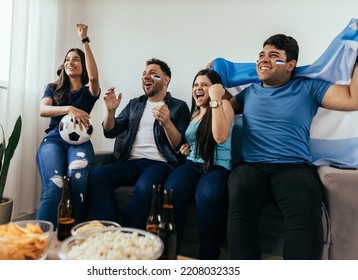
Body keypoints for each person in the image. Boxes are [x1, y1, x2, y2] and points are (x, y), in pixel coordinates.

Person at [215, 34, 358, 260]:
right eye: (261, 55)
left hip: (293, 167)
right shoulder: (249, 93)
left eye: (274, 56)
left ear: (290, 65)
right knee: (240, 199)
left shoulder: (309, 88)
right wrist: (213, 79)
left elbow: (353, 98)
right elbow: (222, 111)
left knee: (304, 209)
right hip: (250, 166)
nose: (264, 60)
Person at [88, 58, 190, 229]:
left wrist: (167, 123)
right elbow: (110, 131)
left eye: (153, 73)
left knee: (144, 190)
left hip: (159, 164)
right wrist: (110, 111)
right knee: (97, 176)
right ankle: (110, 231)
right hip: (130, 162)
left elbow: (178, 144)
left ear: (166, 79)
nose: (146, 77)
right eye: (144, 74)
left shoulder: (179, 107)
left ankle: (130, 236)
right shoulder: (135, 104)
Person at [163, 69, 234, 259]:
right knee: (170, 191)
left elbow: (219, 137)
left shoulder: (224, 105)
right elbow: (191, 141)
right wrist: (186, 148)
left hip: (216, 166)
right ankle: (169, 253)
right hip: (191, 164)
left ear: (215, 89)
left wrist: (217, 99)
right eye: (195, 85)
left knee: (208, 196)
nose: (198, 88)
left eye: (204, 85)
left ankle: (208, 258)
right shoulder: (195, 112)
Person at [36, 23, 101, 228]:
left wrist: (85, 40)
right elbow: (43, 110)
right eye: (67, 60)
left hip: (80, 142)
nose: (70, 62)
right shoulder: (52, 88)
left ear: (82, 65)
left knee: (77, 178)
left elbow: (93, 77)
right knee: (54, 185)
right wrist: (69, 109)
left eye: (75, 59)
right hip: (54, 139)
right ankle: (40, 242)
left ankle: (75, 235)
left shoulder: (89, 91)